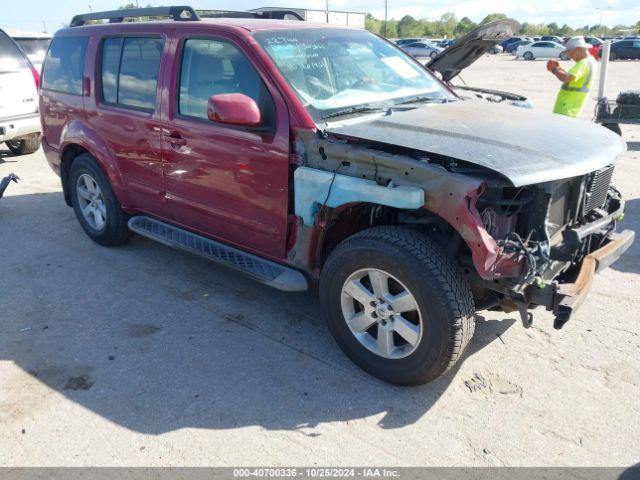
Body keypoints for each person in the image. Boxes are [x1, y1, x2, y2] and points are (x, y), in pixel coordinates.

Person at [547, 37, 597, 118]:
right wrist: (559, 69)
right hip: (570, 108)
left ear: (578, 49)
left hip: (566, 109)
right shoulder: (591, 61)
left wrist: (555, 69)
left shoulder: (584, 63)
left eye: (569, 51)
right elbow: (571, 77)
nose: (569, 55)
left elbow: (566, 78)